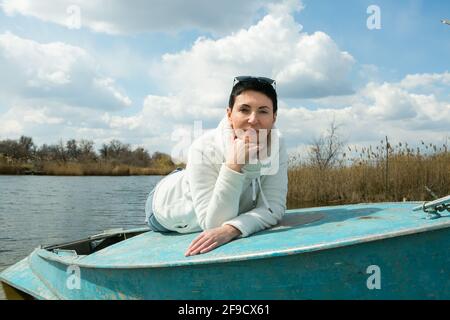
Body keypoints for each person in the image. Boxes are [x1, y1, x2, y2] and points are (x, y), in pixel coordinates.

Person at [144, 76, 288, 256]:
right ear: (229, 114)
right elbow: (213, 226)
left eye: (263, 111)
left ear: (274, 117)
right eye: (244, 109)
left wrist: (234, 229)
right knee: (188, 178)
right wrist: (233, 165)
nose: (253, 119)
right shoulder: (202, 148)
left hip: (198, 177)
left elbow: (273, 207)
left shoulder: (277, 143)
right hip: (166, 202)